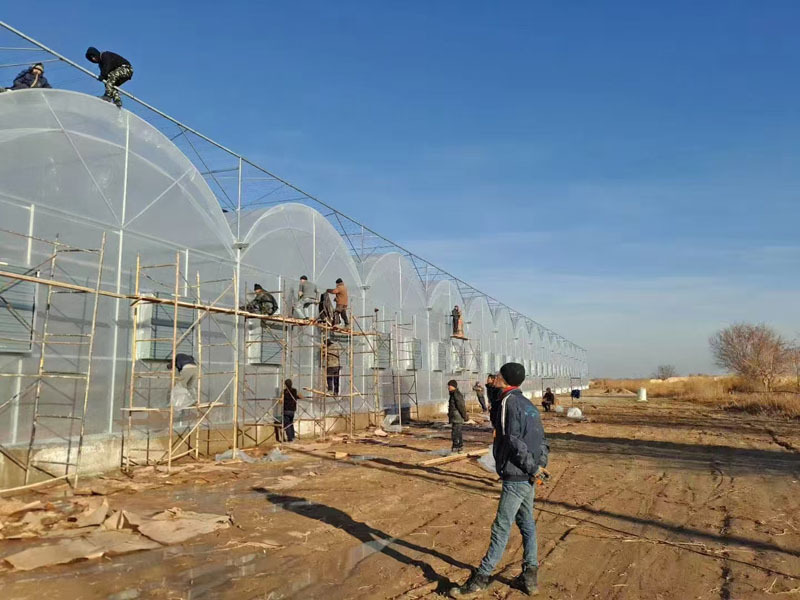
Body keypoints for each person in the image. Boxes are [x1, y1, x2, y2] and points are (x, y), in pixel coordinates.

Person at [451, 363, 549, 598]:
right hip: (528, 474)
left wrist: (531, 467)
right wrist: (539, 465)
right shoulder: (527, 404)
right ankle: (530, 577)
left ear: (504, 379)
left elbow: (512, 439)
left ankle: (481, 579)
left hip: (517, 475)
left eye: (496, 376)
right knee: (527, 524)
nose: (493, 378)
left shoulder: (509, 403)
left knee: (501, 526)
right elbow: (542, 439)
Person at [448, 380, 467, 453]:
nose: (448, 387)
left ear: (454, 386)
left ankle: (456, 447)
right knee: (457, 432)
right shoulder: (453, 394)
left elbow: (461, 406)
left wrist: (464, 416)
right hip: (455, 417)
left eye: (450, 385)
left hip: (457, 417)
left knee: (455, 432)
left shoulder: (456, 394)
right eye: (448, 385)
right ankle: (460, 446)